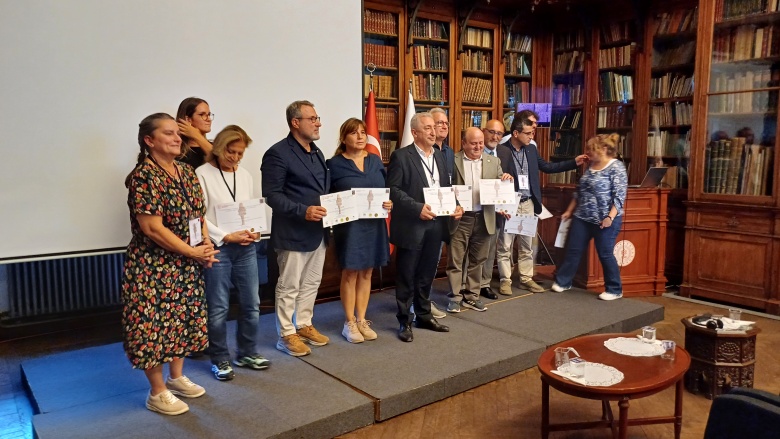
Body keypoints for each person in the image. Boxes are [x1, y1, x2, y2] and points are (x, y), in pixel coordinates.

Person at [122, 113, 219, 415]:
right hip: (152, 266)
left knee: (182, 320)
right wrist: (192, 253)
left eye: (178, 133)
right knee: (152, 326)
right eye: (168, 134)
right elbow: (152, 228)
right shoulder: (144, 176)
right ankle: (157, 391)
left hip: (185, 264)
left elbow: (198, 216)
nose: (178, 138)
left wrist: (204, 244)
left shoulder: (186, 172)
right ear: (149, 141)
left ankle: (176, 379)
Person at [196, 126, 270, 381]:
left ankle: (247, 352)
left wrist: (257, 230)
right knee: (218, 307)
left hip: (246, 248)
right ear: (218, 148)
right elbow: (199, 217)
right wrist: (226, 236)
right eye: (231, 152)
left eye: (240, 153)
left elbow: (251, 209)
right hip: (219, 248)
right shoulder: (202, 174)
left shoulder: (246, 175)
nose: (236, 158)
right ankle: (220, 359)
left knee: (252, 304)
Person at [262, 100, 330, 356]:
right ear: (295, 122)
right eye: (312, 118)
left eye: (317, 118)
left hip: (319, 232)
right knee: (289, 286)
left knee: (312, 283)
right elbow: (272, 195)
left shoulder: (317, 152)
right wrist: (303, 211)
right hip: (292, 232)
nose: (318, 122)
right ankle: (286, 334)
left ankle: (303, 324)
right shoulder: (277, 153)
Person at [387, 112, 463, 342]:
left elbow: (446, 187)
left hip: (437, 224)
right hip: (412, 225)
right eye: (428, 128)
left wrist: (456, 205)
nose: (433, 131)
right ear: (414, 133)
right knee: (407, 275)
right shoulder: (401, 156)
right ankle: (404, 321)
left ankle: (423, 314)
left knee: (427, 273)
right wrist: (416, 207)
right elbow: (393, 190)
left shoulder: (440, 156)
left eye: (435, 127)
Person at [496, 117, 587, 295]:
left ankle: (526, 279)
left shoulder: (531, 149)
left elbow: (547, 167)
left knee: (527, 245)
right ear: (516, 133)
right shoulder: (502, 151)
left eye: (532, 132)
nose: (532, 136)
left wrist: (573, 162)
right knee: (505, 245)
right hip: (510, 204)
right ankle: (505, 280)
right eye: (528, 133)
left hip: (529, 203)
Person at [327, 118, 392, 343]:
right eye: (354, 133)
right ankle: (349, 322)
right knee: (351, 272)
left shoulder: (375, 160)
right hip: (350, 227)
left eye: (363, 132)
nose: (361, 136)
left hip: (374, 224)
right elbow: (327, 197)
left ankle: (362, 319)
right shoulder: (333, 164)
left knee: (367, 272)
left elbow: (385, 190)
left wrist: (388, 203)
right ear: (344, 138)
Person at [552, 133, 628, 301]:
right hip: (582, 217)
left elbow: (619, 195)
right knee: (574, 250)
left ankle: (615, 289)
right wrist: (569, 211)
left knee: (605, 253)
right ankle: (563, 282)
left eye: (591, 149)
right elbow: (579, 192)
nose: (587, 152)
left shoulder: (617, 167)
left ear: (604, 149)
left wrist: (610, 217)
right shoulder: (590, 166)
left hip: (605, 220)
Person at [446, 127, 512, 313]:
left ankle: (472, 296)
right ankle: (454, 297)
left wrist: (505, 178)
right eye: (473, 143)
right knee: (456, 260)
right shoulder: (453, 160)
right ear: (464, 143)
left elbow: (500, 185)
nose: (478, 147)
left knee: (478, 260)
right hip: (461, 218)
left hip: (484, 217)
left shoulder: (494, 161)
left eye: (481, 143)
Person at [478, 119, 507, 300]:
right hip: (471, 211)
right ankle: (466, 285)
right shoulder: (470, 150)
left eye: (499, 134)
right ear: (483, 131)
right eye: (492, 132)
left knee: (489, 250)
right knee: (470, 253)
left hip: (495, 211)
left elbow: (506, 181)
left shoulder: (504, 153)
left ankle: (484, 284)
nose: (495, 136)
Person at [176, 97, 214, 168]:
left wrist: (196, 136)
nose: (208, 119)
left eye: (208, 114)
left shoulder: (215, 146)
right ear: (188, 119)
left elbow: (221, 161)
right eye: (202, 115)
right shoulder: (177, 149)